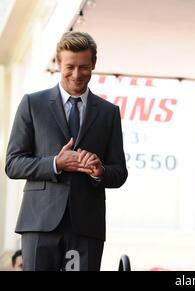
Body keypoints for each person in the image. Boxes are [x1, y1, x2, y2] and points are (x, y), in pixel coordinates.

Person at [5, 31, 128, 271]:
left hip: (86, 225)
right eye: (70, 66)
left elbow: (119, 172)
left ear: (93, 64)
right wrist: (55, 163)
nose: (77, 74)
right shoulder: (32, 104)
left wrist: (98, 170)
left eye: (84, 67)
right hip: (39, 222)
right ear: (58, 63)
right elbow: (13, 163)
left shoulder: (108, 113)